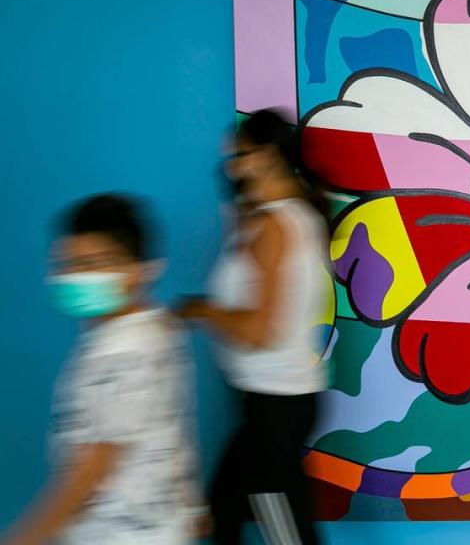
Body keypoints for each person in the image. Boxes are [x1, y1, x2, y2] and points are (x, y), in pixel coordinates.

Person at [4, 194, 206, 545]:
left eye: (95, 263)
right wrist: (191, 504)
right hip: (151, 525)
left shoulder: (124, 349)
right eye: (69, 263)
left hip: (120, 534)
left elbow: (95, 464)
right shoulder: (157, 327)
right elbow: (173, 428)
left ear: (142, 269)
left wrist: (25, 537)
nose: (78, 276)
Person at [179, 109, 329, 545]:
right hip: (271, 406)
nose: (230, 165)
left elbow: (260, 332)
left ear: (265, 156)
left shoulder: (273, 225)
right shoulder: (295, 215)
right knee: (223, 510)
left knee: (287, 534)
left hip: (274, 409)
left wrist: (201, 311)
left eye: (239, 155)